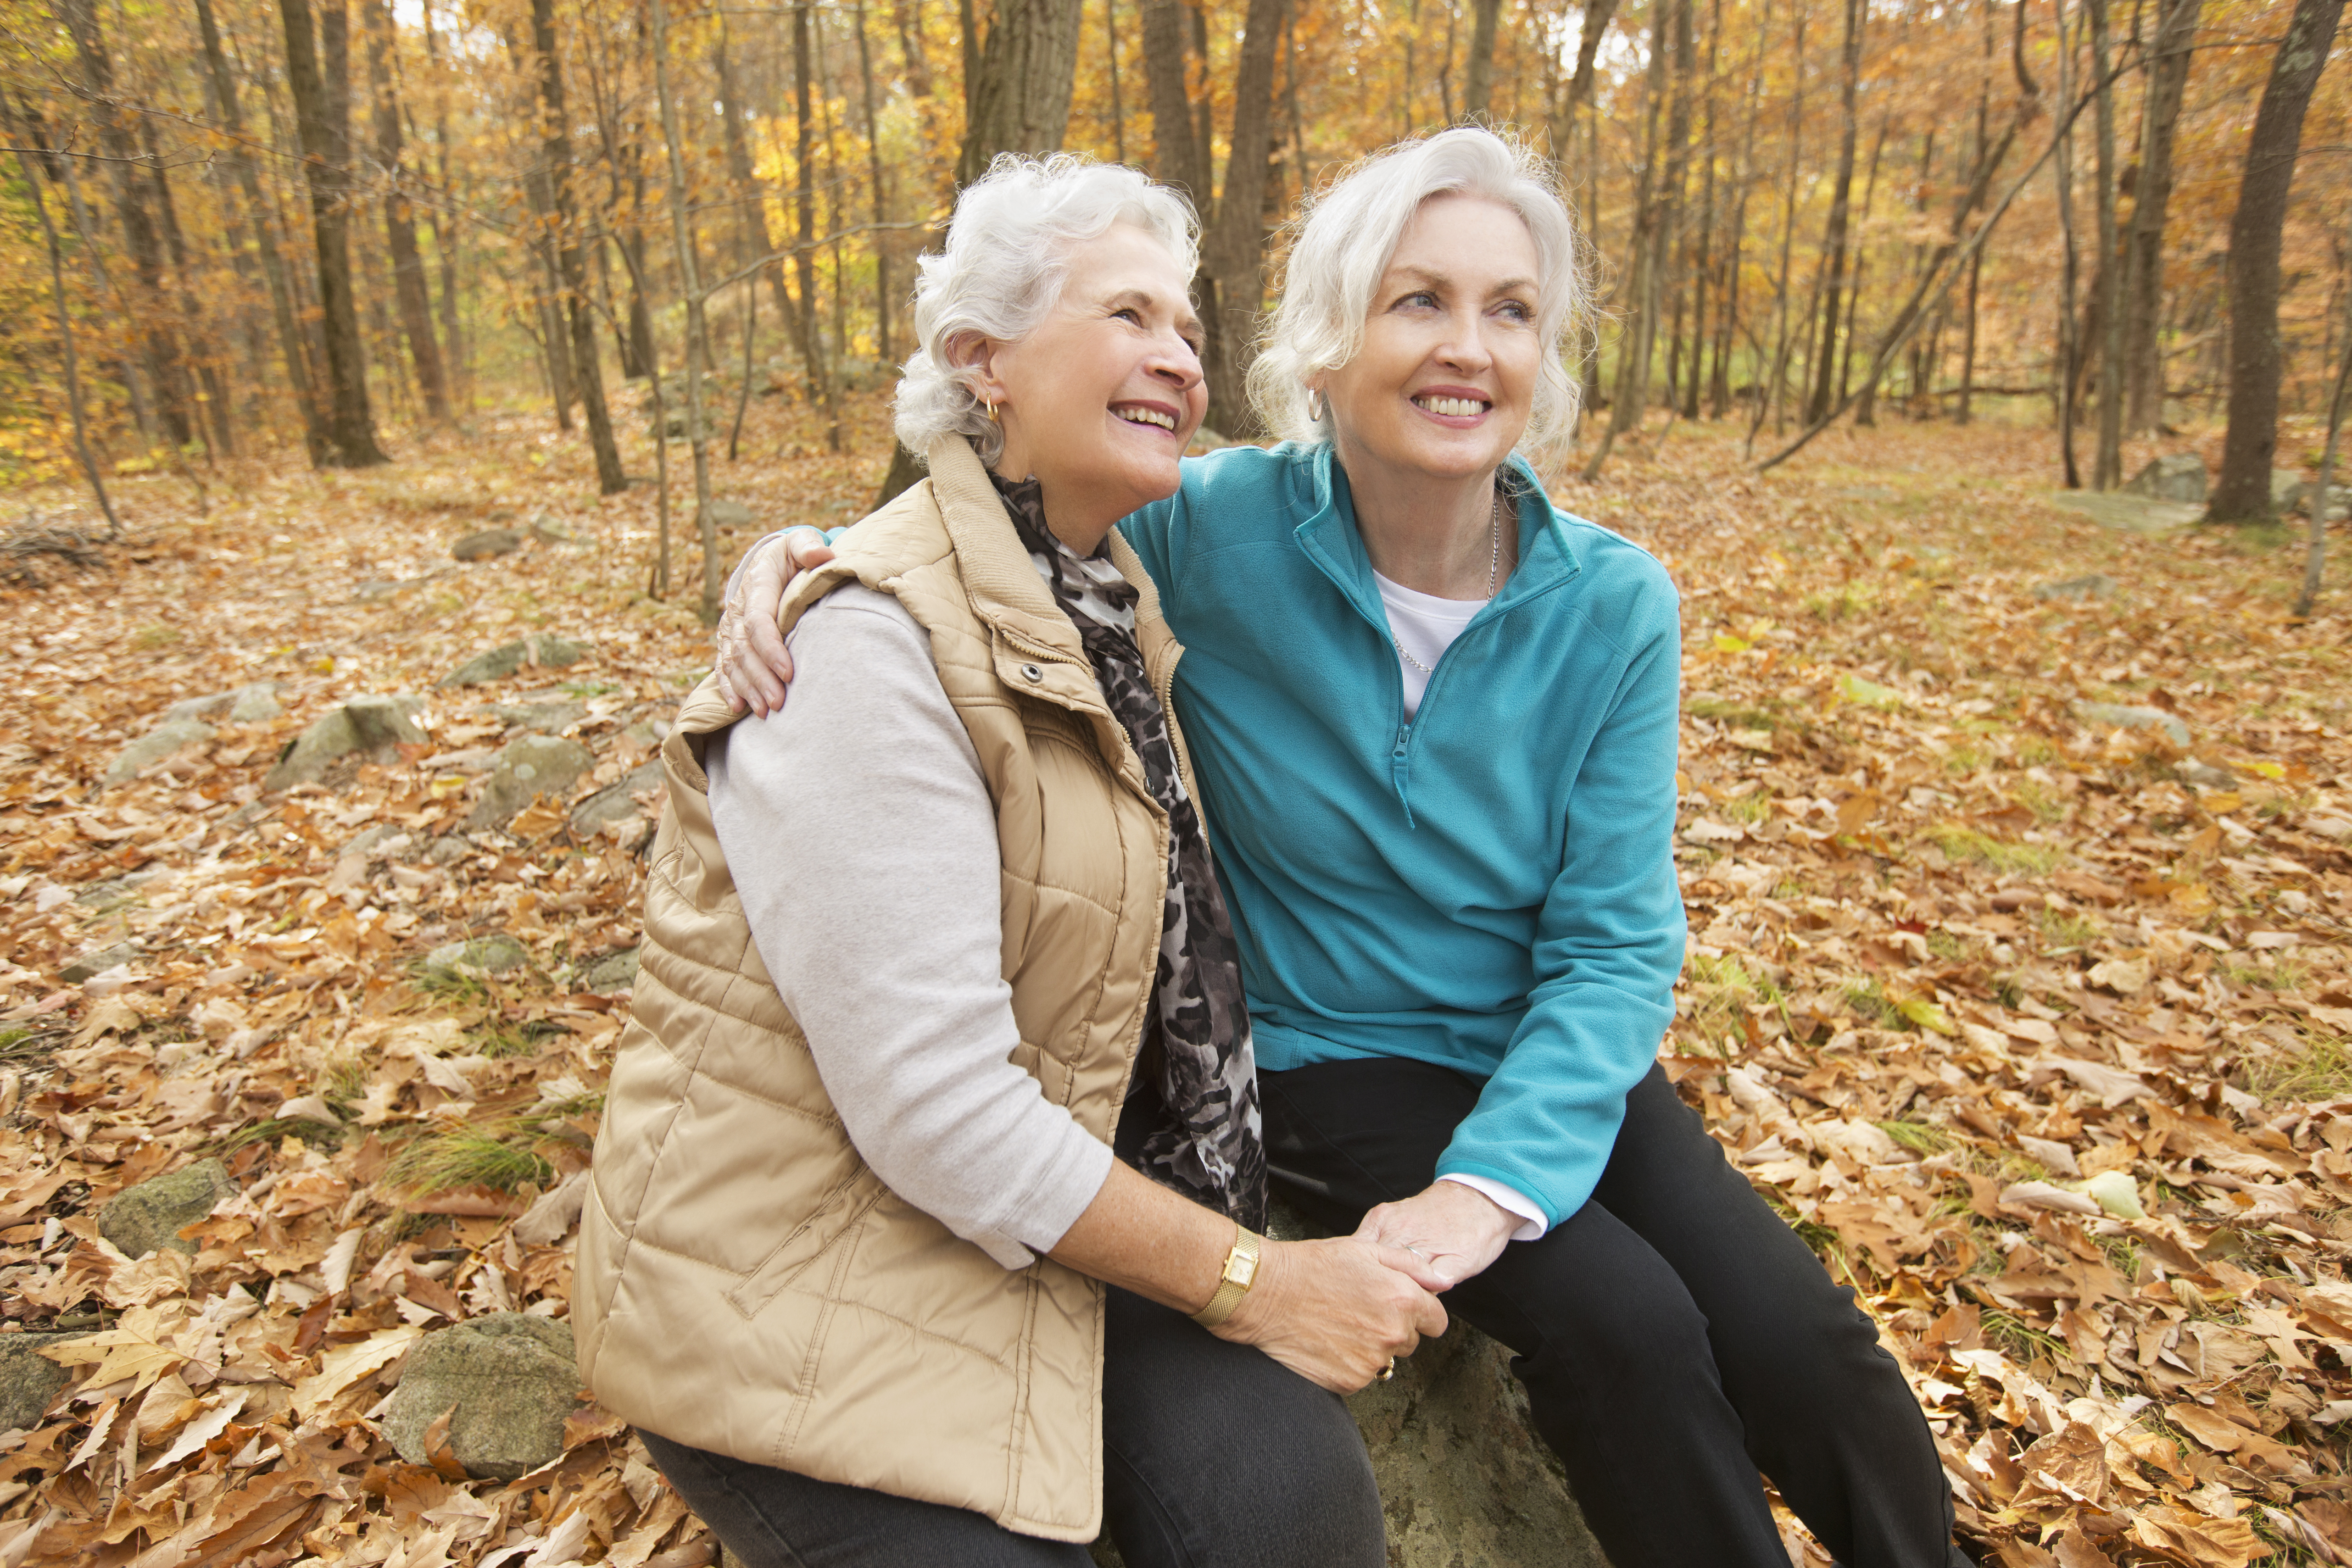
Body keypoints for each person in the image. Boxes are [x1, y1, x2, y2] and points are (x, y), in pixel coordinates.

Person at [718, 127, 1977, 1568]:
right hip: (1338, 1058)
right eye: (1418, 300)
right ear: (1327, 345)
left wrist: (1488, 1181)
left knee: (1803, 1337)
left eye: (1510, 311)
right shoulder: (1209, 527)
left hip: (1556, 1055)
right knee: (1627, 1324)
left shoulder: (1615, 603)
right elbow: (1001, 527)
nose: (1469, 348)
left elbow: (1616, 943)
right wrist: (809, 555)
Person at [573, 154, 1448, 1568]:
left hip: (1069, 1229)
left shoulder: (1110, 584)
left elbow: (1401, 491)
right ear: (982, 362)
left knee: (1296, 1517)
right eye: (1128, 318)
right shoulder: (860, 648)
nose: (1176, 357)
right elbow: (936, 1111)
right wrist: (1258, 1279)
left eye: (1187, 328)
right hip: (818, 1279)